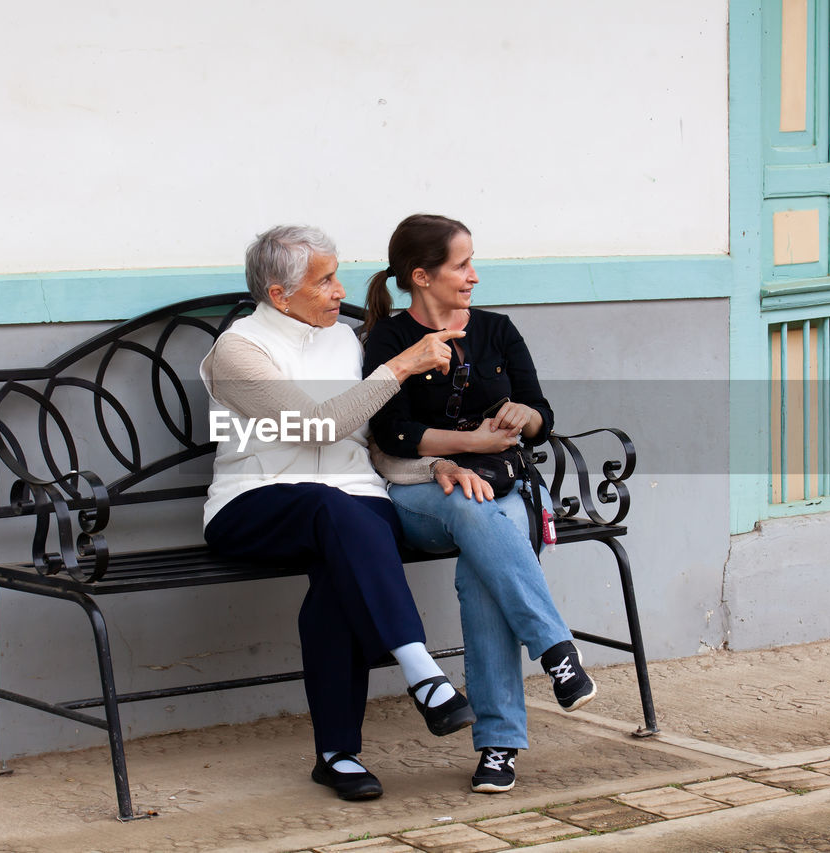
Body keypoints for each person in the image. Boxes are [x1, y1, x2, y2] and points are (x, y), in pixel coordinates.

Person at [200, 224, 477, 801]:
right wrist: (398, 367)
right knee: (334, 508)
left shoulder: (347, 342)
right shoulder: (238, 350)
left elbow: (372, 440)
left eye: (336, 276)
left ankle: (337, 755)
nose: (337, 289)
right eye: (324, 280)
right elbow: (316, 425)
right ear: (279, 295)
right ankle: (421, 669)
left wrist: (431, 469)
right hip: (256, 503)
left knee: (342, 551)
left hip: (351, 507)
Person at [361, 213, 597, 795]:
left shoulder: (497, 330)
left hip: (505, 486)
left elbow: (540, 415)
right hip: (423, 494)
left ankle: (497, 748)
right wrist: (468, 446)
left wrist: (526, 416)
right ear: (422, 276)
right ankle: (554, 650)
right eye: (461, 265)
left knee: (483, 567)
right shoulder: (390, 342)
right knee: (470, 511)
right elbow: (392, 433)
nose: (473, 276)